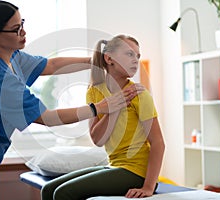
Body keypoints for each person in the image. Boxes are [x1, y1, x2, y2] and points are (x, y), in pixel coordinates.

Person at [0, 1, 141, 200]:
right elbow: (48, 118)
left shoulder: (3, 54)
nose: (23, 32)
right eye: (15, 29)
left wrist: (93, 61)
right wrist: (100, 107)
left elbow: (50, 65)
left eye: (22, 24)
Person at [41, 35, 165, 199]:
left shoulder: (138, 94)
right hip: (115, 165)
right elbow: (98, 140)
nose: (136, 60)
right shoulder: (94, 91)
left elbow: (158, 143)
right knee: (48, 190)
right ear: (109, 58)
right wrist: (113, 108)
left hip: (136, 171)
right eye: (129, 54)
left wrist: (148, 187)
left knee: (63, 193)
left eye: (138, 56)